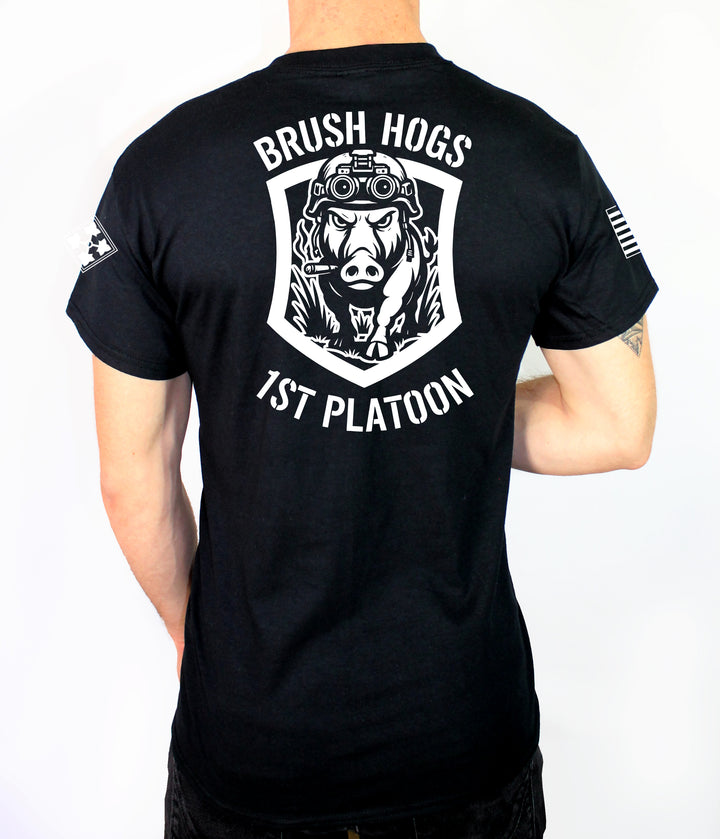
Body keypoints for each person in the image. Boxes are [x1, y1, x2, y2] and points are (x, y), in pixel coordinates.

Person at [66, 1, 657, 837]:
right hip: (462, 737)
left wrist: (190, 636)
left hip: (253, 736)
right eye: (343, 227)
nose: (362, 248)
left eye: (382, 226)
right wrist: (463, 407)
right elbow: (617, 425)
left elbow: (134, 478)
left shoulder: (164, 170)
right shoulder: (541, 158)